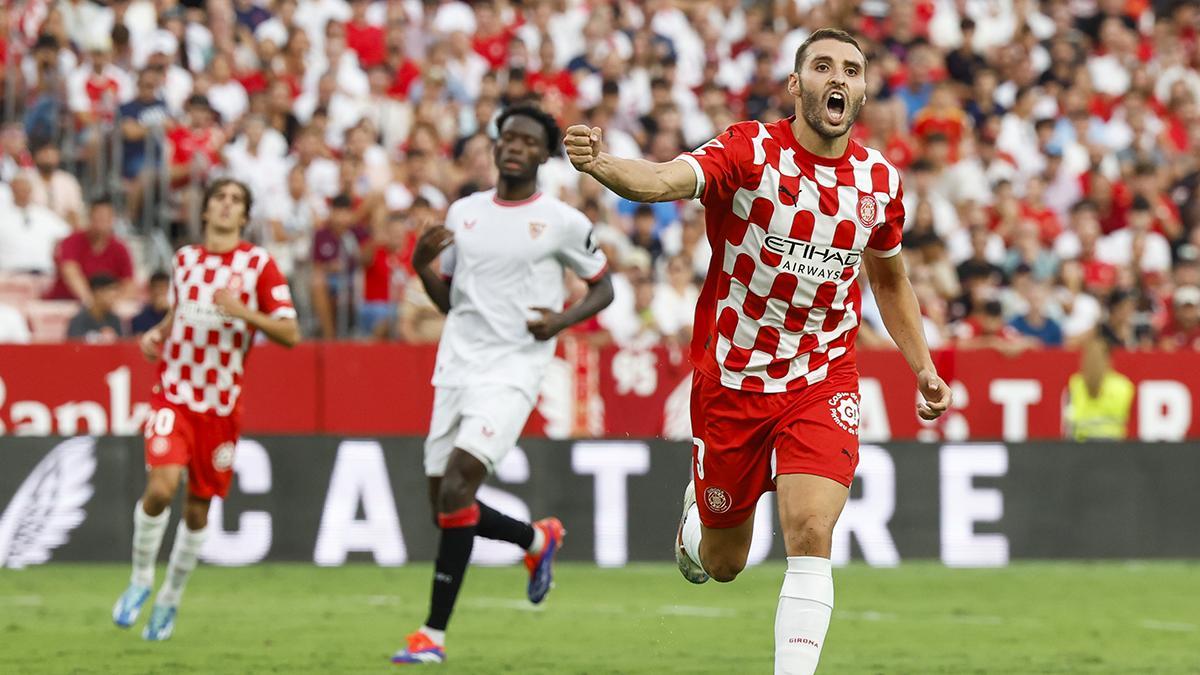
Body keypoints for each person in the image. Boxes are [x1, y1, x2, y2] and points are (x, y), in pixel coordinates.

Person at [565, 28, 951, 674]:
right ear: (796, 85)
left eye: (851, 69)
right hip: (734, 378)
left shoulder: (879, 181)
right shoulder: (750, 153)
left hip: (823, 376)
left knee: (811, 529)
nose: (838, 78)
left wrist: (924, 367)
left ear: (862, 91)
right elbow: (663, 180)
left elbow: (889, 279)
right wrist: (602, 164)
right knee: (724, 563)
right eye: (822, 66)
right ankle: (698, 521)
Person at [391, 103, 614, 666]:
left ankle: (432, 635)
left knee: (457, 488)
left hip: (514, 368)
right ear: (495, 146)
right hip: (456, 366)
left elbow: (603, 288)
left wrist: (558, 322)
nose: (515, 146)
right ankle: (536, 540)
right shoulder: (463, 212)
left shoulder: (562, 221)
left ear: (544, 154)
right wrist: (420, 267)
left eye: (528, 141)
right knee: (444, 505)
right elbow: (451, 301)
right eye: (508, 137)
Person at [111, 179, 300, 641]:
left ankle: (170, 597)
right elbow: (179, 312)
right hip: (173, 394)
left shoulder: (258, 265)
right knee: (161, 488)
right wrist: (157, 334)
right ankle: (140, 579)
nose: (227, 205)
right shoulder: (185, 260)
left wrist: (242, 312)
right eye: (220, 198)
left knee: (197, 511)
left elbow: (290, 333)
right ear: (205, 210)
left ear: (245, 216)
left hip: (220, 408)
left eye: (236, 200)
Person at [47, 195, 134, 302]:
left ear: (112, 220)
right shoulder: (71, 241)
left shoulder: (120, 248)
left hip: (105, 305)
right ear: (90, 217)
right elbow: (70, 272)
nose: (102, 222)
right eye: (98, 217)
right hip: (66, 301)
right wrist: (91, 302)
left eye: (106, 218)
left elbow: (129, 284)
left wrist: (111, 303)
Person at [1065, 336, 1134, 441]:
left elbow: (1069, 418)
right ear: (1109, 359)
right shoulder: (1123, 385)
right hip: (1114, 443)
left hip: (1082, 443)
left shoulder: (1076, 383)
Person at [66, 273, 125, 342]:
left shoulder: (114, 320)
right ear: (97, 292)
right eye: (110, 296)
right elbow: (74, 344)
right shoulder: (79, 320)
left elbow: (120, 343)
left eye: (115, 296)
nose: (113, 300)